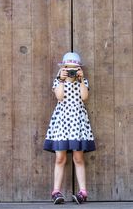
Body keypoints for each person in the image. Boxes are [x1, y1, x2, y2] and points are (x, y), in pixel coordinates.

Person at [43, 52, 96, 204]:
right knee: (60, 157)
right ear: (63, 68)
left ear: (79, 68)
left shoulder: (83, 81)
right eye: (68, 68)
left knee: (78, 157)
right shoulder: (59, 81)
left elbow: (84, 97)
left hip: (77, 121)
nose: (71, 71)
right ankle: (56, 192)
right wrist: (60, 79)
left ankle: (83, 192)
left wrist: (80, 80)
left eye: (74, 68)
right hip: (62, 122)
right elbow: (59, 96)